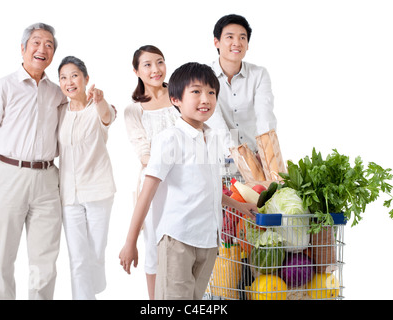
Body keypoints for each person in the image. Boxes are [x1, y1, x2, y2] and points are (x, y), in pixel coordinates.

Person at [119, 62, 258, 300]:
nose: (205, 99)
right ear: (175, 99)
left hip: (208, 241)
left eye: (211, 93)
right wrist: (130, 243)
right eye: (196, 92)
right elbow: (147, 193)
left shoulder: (212, 139)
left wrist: (240, 206)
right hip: (178, 240)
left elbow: (209, 189)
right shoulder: (170, 139)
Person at [0, 22, 67, 300]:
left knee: (45, 259)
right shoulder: (2, 87)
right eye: (36, 42)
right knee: (3, 255)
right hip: (9, 175)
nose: (42, 49)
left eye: (49, 45)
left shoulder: (57, 92)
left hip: (48, 179)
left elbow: (79, 115)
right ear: (23, 49)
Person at [57, 56, 117, 300]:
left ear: (85, 79)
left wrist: (101, 101)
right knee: (77, 257)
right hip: (68, 195)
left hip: (98, 191)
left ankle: (93, 289)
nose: (69, 81)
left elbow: (108, 117)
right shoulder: (60, 111)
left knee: (96, 250)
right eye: (63, 77)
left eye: (74, 75)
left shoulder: (98, 108)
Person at [124, 45, 179, 300]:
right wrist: (166, 164)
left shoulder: (181, 95)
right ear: (136, 70)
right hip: (154, 186)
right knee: (154, 247)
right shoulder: (134, 109)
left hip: (187, 180)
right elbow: (143, 152)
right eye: (147, 65)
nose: (155, 70)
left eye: (159, 62)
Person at [206, 14, 278, 156]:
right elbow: (215, 121)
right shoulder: (205, 74)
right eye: (230, 37)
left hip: (256, 155)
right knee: (231, 179)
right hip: (221, 158)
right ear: (216, 42)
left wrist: (266, 152)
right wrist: (237, 155)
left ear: (247, 44)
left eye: (242, 37)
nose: (237, 43)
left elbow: (265, 114)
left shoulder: (259, 74)